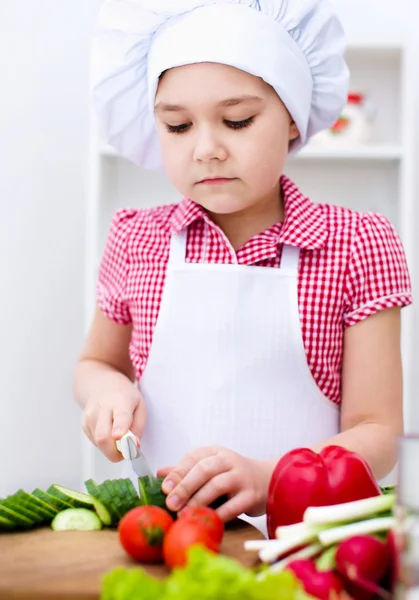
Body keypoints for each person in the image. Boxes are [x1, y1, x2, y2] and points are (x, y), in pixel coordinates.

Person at [74, 0, 412, 537]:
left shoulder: (356, 244)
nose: (206, 149)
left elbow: (377, 432)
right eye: (178, 125)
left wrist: (271, 476)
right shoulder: (136, 237)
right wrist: (105, 392)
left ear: (294, 123)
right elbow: (97, 362)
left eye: (237, 120)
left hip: (309, 541)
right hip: (169, 542)